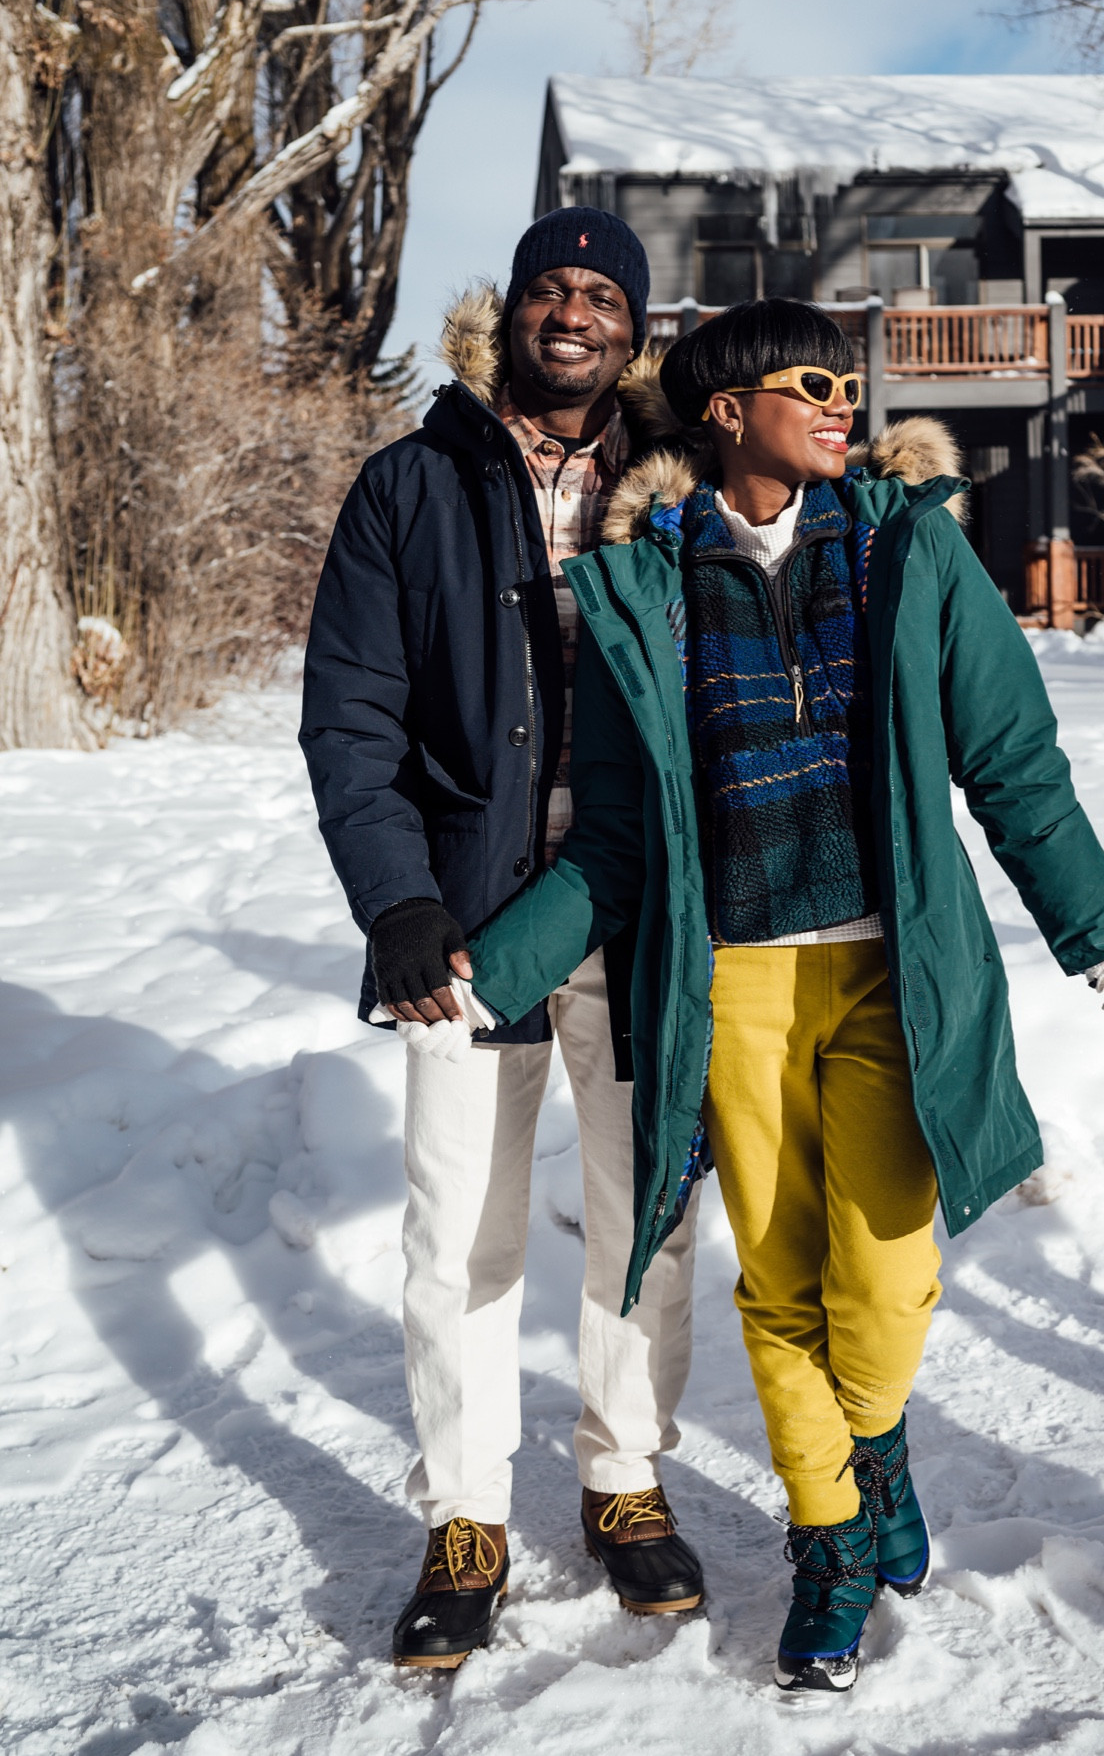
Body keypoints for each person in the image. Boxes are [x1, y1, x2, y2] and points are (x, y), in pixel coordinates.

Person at [451, 296, 1104, 1694]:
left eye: (853, 385)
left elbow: (1014, 765)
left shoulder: (912, 550)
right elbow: (611, 839)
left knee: (888, 1270)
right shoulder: (645, 586)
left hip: (892, 976)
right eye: (816, 382)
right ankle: (833, 1533)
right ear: (730, 409)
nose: (845, 404)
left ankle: (875, 1437)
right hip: (731, 987)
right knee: (782, 1281)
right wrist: (482, 972)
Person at [300, 210, 708, 1676]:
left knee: (642, 1216)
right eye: (553, 287)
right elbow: (351, 709)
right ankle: (466, 1513)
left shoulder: (677, 488)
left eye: (604, 294)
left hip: (636, 908)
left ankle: (622, 1475)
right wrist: (396, 898)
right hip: (465, 919)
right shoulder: (411, 483)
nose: (576, 312)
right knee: (456, 1233)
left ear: (633, 326)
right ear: (511, 312)